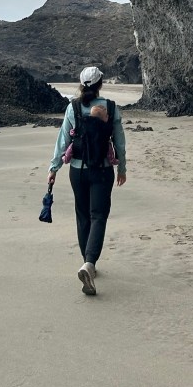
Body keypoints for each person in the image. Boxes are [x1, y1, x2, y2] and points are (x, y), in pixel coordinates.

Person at [48, 65, 127, 296]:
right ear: (101, 83)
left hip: (77, 171)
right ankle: (89, 264)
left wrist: (54, 168)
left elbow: (63, 140)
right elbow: (120, 142)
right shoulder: (110, 107)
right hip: (102, 171)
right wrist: (122, 168)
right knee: (98, 216)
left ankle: (87, 262)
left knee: (83, 217)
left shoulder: (72, 107)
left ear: (81, 84)